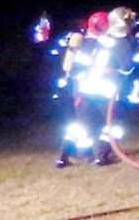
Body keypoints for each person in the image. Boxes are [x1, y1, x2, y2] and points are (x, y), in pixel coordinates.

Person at [72, 7, 138, 165]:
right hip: (105, 89)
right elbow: (127, 68)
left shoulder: (99, 40)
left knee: (89, 125)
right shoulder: (121, 42)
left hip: (86, 88)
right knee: (115, 125)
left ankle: (84, 155)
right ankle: (101, 156)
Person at [50, 10, 109, 168]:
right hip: (91, 90)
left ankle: (66, 156)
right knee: (108, 123)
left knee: (82, 125)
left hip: (83, 90)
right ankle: (100, 155)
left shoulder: (89, 43)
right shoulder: (94, 45)